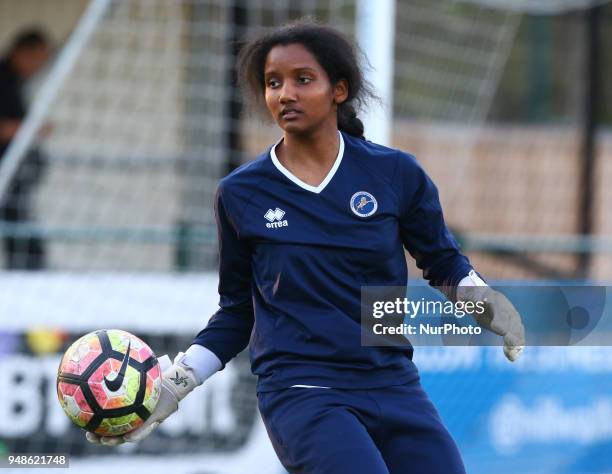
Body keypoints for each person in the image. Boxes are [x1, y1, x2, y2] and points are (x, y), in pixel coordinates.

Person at [86, 20, 525, 473]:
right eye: (273, 83)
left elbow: (441, 260)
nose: (285, 94)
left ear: (339, 90)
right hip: (302, 391)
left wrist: (486, 302)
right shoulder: (242, 193)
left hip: (392, 381)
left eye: (302, 79)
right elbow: (238, 311)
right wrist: (175, 386)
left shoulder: (395, 174)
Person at [0, 28, 51, 270]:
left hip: (15, 180)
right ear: (23, 53)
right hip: (6, 175)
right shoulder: (4, 80)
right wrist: (30, 129)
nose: (40, 65)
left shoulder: (17, 82)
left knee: (21, 229)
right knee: (19, 230)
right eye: (39, 58)